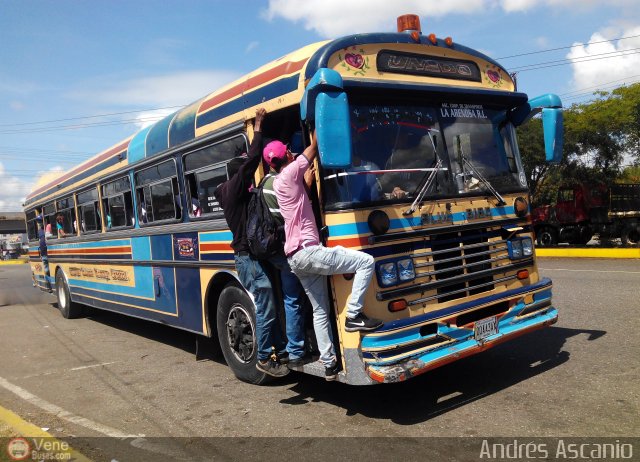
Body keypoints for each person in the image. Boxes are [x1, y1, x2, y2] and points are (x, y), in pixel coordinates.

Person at [272, 135, 383, 381]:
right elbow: (313, 148)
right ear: (287, 157)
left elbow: (300, 204)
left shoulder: (282, 183)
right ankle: (354, 315)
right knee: (365, 262)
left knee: (320, 310)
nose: (293, 153)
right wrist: (317, 126)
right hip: (310, 250)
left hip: (295, 257)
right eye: (290, 151)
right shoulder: (291, 172)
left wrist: (308, 186)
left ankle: (330, 364)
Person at [213, 108, 289, 378]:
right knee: (266, 302)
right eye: (246, 176)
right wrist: (258, 127)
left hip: (255, 257)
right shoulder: (234, 191)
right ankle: (264, 357)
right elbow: (253, 159)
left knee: (272, 299)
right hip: (247, 259)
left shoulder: (241, 196)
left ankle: (282, 349)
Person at [262, 141, 311, 367]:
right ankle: (298, 349)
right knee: (301, 298)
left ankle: (295, 349)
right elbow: (293, 214)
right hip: (291, 247)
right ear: (287, 156)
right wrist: (307, 186)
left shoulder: (264, 184)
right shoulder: (286, 181)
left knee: (290, 299)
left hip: (275, 251)